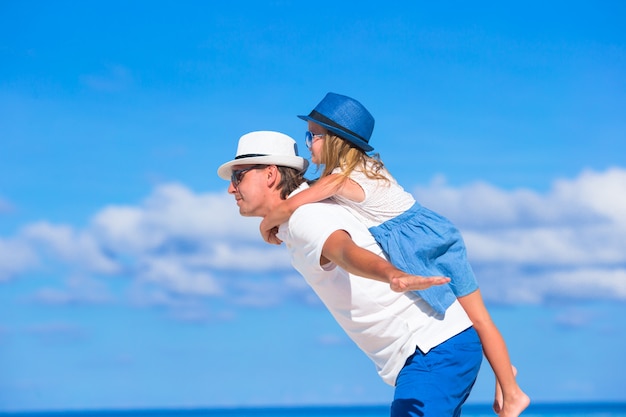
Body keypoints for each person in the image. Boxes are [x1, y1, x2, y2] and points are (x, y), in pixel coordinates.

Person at [259, 93, 530, 417]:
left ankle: (511, 391)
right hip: (435, 236)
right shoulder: (361, 170)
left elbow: (293, 204)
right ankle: (507, 381)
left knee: (478, 318)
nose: (309, 145)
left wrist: (268, 222)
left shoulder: (343, 179)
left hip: (416, 245)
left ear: (335, 141)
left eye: (313, 136)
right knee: (479, 318)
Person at [218, 131, 483, 416]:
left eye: (238, 177)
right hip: (436, 348)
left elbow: (343, 250)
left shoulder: (305, 219)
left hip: (430, 348)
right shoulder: (301, 214)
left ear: (270, 174)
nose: (231, 189)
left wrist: (391, 274)